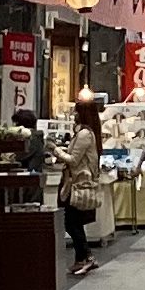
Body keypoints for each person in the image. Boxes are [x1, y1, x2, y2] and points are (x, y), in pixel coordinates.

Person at [60, 92, 111, 280]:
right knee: (74, 222)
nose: (73, 115)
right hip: (77, 183)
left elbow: (73, 160)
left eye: (76, 112)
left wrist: (55, 150)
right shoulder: (87, 133)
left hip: (79, 184)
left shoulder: (83, 134)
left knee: (72, 222)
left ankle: (86, 256)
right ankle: (82, 258)